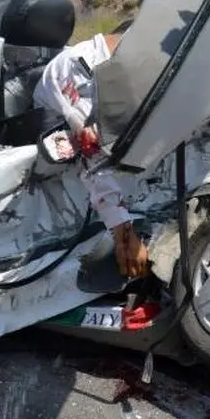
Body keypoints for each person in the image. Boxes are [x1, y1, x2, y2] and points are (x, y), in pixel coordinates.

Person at [32, 19, 149, 279]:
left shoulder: (122, 66)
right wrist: (124, 235)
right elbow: (92, 155)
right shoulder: (81, 68)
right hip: (57, 176)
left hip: (101, 165)